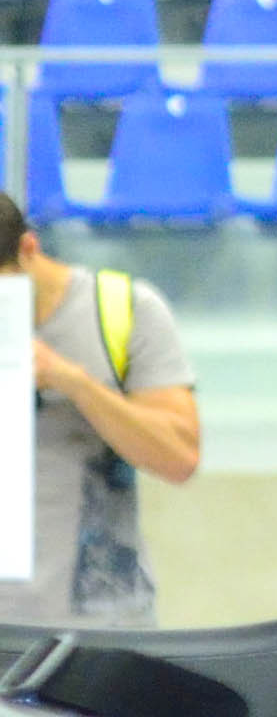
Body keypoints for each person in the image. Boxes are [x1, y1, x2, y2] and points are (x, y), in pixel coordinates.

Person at [0, 187, 195, 626]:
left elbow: (179, 459)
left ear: (29, 250)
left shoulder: (124, 311)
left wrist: (74, 382)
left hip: (100, 627)